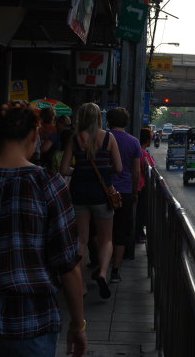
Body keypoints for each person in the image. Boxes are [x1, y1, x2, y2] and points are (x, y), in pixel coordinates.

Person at [0, 102, 86, 356]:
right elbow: (67, 265)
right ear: (33, 137)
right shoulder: (48, 184)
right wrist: (77, 324)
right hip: (32, 322)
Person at [60, 102, 123, 299]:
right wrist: (104, 171)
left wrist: (78, 170)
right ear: (98, 118)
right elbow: (119, 168)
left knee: (81, 241)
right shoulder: (109, 138)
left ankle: (81, 286)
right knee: (106, 239)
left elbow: (63, 170)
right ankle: (103, 273)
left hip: (79, 193)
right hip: (102, 195)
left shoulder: (75, 139)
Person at [107, 108, 142, 283]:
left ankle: (101, 264)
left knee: (102, 230)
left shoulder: (101, 138)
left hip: (104, 190)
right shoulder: (134, 142)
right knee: (121, 232)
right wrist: (135, 192)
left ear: (108, 121)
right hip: (126, 191)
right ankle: (115, 270)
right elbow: (136, 172)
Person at [134, 128, 156, 247]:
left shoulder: (141, 152)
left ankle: (139, 233)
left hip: (138, 186)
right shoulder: (143, 154)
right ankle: (138, 234)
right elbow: (151, 169)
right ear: (147, 140)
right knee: (140, 213)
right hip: (141, 187)